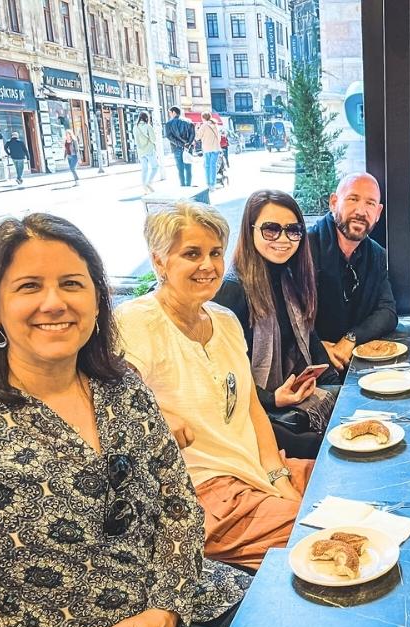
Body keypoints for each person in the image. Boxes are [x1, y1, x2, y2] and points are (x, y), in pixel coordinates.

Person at [0, 213, 249, 627]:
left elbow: (178, 506)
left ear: (95, 299)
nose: (54, 302)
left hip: (180, 600)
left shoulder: (122, 386)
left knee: (302, 626)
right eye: (29, 286)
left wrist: (165, 612)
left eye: (72, 283)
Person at [115, 202, 314, 570]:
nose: (207, 265)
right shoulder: (136, 321)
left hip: (253, 469)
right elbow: (118, 404)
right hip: (203, 494)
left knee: (351, 487)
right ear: (159, 261)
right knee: (323, 535)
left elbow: (252, 407)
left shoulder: (224, 320)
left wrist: (277, 475)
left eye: (215, 253)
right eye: (192, 253)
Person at [214, 190, 339, 459]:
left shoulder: (290, 277)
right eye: (271, 229)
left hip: (291, 397)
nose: (283, 239)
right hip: (253, 412)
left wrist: (333, 382)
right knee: (328, 448)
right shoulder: (233, 291)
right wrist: (273, 399)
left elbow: (309, 337)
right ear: (250, 231)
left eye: (293, 230)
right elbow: (224, 376)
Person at [308, 172, 397, 371]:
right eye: (353, 199)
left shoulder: (376, 254)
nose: (361, 211)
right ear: (333, 202)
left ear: (378, 212)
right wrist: (316, 346)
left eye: (370, 203)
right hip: (306, 368)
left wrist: (351, 338)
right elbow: (283, 316)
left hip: (354, 365)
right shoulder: (305, 249)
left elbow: (387, 312)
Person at [164, 106, 195, 187]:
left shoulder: (169, 124)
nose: (170, 115)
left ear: (174, 112)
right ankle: (188, 186)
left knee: (180, 169)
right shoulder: (189, 121)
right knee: (188, 168)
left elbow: (169, 137)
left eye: (170, 113)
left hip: (177, 148)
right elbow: (192, 134)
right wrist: (188, 144)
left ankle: (183, 186)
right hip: (188, 148)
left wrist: (181, 144)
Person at [133, 112, 158, 193]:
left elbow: (136, 140)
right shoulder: (148, 126)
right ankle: (149, 183)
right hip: (149, 150)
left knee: (144, 169)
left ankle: (144, 189)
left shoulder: (135, 127)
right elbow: (153, 139)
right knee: (155, 167)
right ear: (147, 118)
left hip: (140, 151)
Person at [196, 113, 222, 191]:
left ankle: (208, 184)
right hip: (216, 148)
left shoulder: (203, 126)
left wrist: (196, 128)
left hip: (207, 149)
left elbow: (197, 137)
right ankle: (213, 184)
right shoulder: (216, 125)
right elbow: (219, 138)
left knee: (207, 166)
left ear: (203, 118)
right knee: (213, 166)